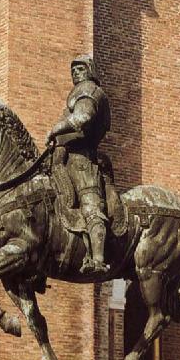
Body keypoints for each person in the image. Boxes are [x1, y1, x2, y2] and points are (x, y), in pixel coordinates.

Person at [46, 55, 111, 274]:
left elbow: (83, 117)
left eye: (80, 68)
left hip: (82, 159)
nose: (75, 72)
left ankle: (98, 259)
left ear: (90, 70)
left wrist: (56, 129)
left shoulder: (89, 92)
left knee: (90, 204)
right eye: (73, 69)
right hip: (62, 158)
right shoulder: (76, 94)